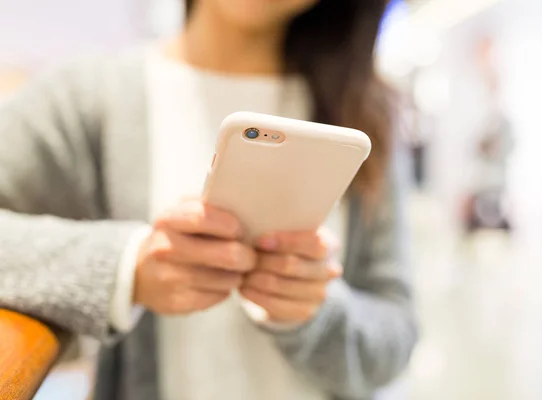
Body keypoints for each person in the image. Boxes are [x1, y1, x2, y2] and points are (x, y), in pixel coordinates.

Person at [0, 1, 417, 399]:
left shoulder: (364, 114)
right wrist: (127, 267)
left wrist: (316, 312)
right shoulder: (86, 97)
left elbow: (395, 333)